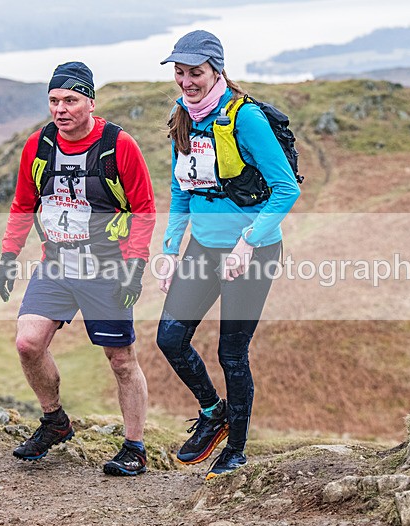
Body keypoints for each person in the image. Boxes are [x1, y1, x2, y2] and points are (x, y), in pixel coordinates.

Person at [0, 61, 156, 476]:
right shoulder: (38, 145)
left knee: (121, 359)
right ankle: (55, 421)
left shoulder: (119, 146)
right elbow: (22, 204)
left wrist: (135, 267)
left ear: (90, 101)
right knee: (27, 344)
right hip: (56, 264)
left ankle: (135, 448)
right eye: (53, 101)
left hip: (107, 267)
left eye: (70, 100)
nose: (60, 109)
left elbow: (143, 209)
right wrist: (8, 257)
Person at [156, 30, 300, 480]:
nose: (186, 82)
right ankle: (213, 412)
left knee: (231, 354)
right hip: (203, 247)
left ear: (216, 70)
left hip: (251, 252)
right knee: (170, 338)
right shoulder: (182, 116)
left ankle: (236, 449)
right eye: (180, 73)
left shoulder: (246, 119)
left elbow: (285, 190)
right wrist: (168, 249)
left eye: (195, 73)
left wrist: (247, 242)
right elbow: (182, 191)